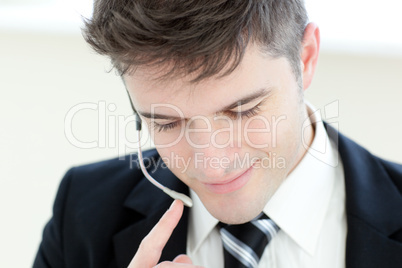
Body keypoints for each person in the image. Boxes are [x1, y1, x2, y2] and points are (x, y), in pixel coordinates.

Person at [33, 1, 402, 267]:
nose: (213, 163)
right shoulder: (82, 212)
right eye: (167, 123)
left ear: (305, 58)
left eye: (243, 111)